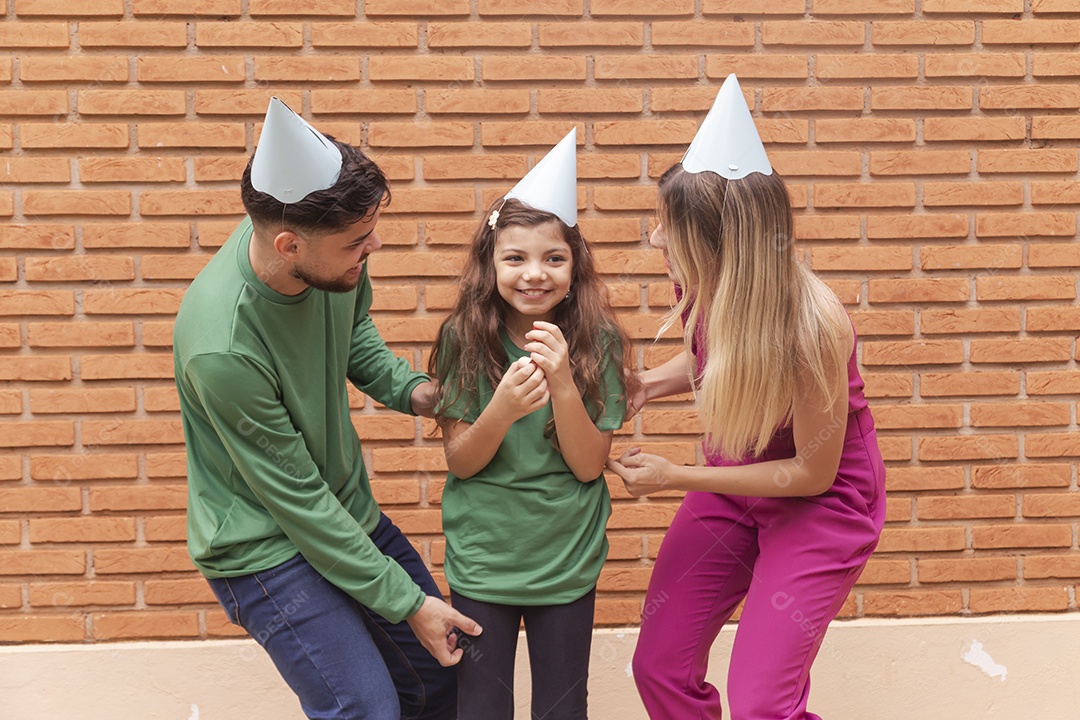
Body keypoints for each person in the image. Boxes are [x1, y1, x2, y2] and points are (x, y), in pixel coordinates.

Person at [173, 98, 479, 720]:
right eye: (357, 242)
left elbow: (352, 330)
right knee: (363, 707)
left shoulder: (323, 259)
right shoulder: (222, 345)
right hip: (264, 547)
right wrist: (410, 603)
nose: (374, 245)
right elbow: (299, 504)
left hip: (341, 512)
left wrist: (417, 393)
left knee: (442, 678)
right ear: (287, 245)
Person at [606, 75, 886, 720]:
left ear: (719, 239)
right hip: (734, 480)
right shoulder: (703, 287)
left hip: (822, 503)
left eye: (666, 227)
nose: (654, 240)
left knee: (762, 703)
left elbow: (811, 471)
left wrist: (677, 475)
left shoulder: (813, 324)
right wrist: (649, 384)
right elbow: (715, 356)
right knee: (660, 668)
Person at [428, 130, 637, 720]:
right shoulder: (463, 338)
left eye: (554, 258)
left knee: (562, 709)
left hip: (565, 561)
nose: (534, 274)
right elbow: (463, 460)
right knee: (482, 708)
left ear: (576, 265)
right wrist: (502, 409)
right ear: (490, 263)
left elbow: (589, 464)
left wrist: (564, 381)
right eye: (515, 258)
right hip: (485, 559)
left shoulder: (596, 342)